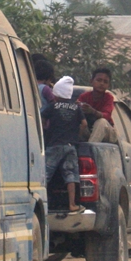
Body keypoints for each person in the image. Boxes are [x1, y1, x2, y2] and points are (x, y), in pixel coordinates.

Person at [43, 76, 88, 212]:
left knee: (45, 174)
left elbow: (42, 117)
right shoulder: (76, 108)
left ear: (57, 94)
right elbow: (84, 124)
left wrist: (45, 129)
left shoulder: (53, 106)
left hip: (54, 145)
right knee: (71, 175)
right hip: (70, 146)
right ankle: (72, 204)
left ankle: (42, 203)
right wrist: (78, 135)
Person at [78, 67, 119, 143]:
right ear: (91, 81)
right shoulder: (84, 96)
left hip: (107, 133)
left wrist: (93, 111)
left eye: (105, 82)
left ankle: (90, 148)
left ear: (108, 85)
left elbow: (107, 116)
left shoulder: (109, 97)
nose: (102, 83)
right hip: (89, 131)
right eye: (99, 80)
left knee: (101, 122)